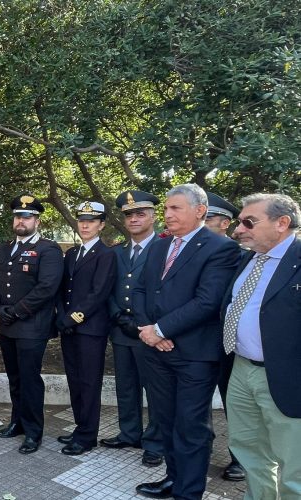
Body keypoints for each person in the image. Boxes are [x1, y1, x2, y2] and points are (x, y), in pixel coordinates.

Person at [132, 184, 240, 499]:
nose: (167, 214)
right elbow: (140, 291)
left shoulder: (220, 248)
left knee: (191, 427)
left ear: (200, 210)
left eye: (175, 208)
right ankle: (173, 479)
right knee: (165, 420)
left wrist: (161, 331)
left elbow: (207, 302)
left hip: (194, 355)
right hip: (156, 352)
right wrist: (148, 330)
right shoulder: (158, 246)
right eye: (166, 208)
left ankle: (188, 492)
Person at [222, 193, 301, 499]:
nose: (239, 228)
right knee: (249, 451)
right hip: (241, 369)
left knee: (294, 466)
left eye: (248, 221)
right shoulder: (248, 259)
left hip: (286, 376)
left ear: (282, 223)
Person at [0, 195, 64, 454]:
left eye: (27, 217)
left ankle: (33, 432)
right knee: (15, 378)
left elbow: (47, 288)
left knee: (30, 380)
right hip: (7, 323)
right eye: (18, 216)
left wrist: (16, 312)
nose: (21, 220)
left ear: (36, 221)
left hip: (32, 326)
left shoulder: (48, 249)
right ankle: (17, 422)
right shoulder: (6, 248)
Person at [101, 190, 165, 467]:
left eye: (140, 213)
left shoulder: (165, 247)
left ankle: (156, 442)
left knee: (155, 389)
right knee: (126, 386)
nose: (134, 219)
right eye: (129, 215)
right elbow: (108, 289)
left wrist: (144, 324)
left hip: (152, 331)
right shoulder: (116, 251)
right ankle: (130, 433)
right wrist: (118, 317)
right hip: (122, 329)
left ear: (152, 216)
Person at [55, 202, 117, 456]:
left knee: (90, 383)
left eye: (91, 221)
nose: (85, 225)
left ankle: (88, 436)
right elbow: (62, 290)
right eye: (82, 220)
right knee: (75, 381)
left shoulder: (107, 254)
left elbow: (98, 293)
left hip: (90, 329)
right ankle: (80, 427)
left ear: (101, 224)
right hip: (69, 328)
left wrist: (71, 319)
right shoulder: (72, 254)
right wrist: (61, 315)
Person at [203, 191, 246, 481]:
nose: (202, 223)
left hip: (230, 343)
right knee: (198, 402)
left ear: (225, 223)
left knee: (236, 404)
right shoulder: (187, 252)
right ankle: (200, 450)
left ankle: (240, 459)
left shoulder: (242, 255)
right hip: (198, 341)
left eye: (208, 218)